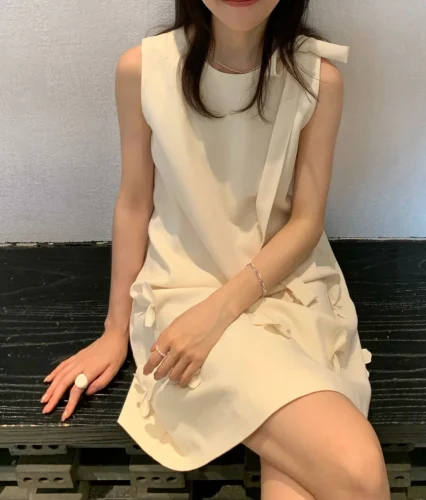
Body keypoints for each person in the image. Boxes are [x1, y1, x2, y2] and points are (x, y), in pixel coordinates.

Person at [41, 1, 391, 498]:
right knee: (356, 468)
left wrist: (220, 312)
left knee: (298, 484)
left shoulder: (318, 80)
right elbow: (135, 203)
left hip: (288, 288)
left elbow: (306, 222)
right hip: (183, 294)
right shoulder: (143, 70)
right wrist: (115, 330)